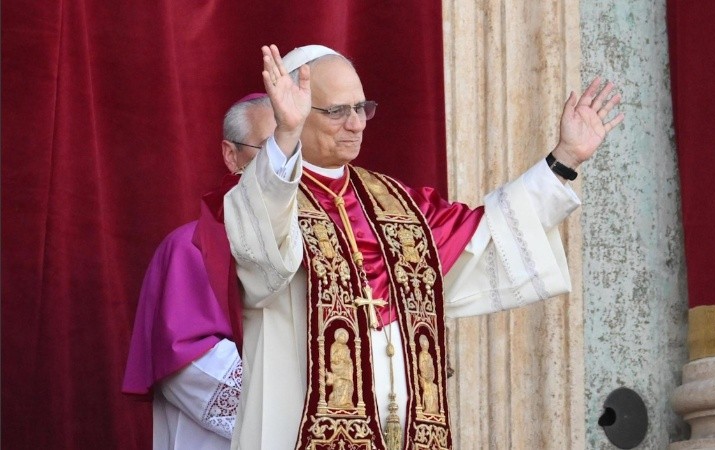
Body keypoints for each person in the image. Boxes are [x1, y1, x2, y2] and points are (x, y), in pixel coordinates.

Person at [224, 44, 624, 450]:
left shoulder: (398, 203)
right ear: (296, 110)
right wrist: (286, 135)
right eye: (337, 111)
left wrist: (565, 159)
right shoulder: (268, 195)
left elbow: (487, 235)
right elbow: (261, 259)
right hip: (298, 429)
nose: (356, 123)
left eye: (361, 108)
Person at [122, 93, 276, 450]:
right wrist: (294, 410)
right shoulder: (190, 247)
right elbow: (188, 364)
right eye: (271, 148)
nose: (285, 164)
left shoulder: (327, 243)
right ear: (230, 154)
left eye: (295, 150)